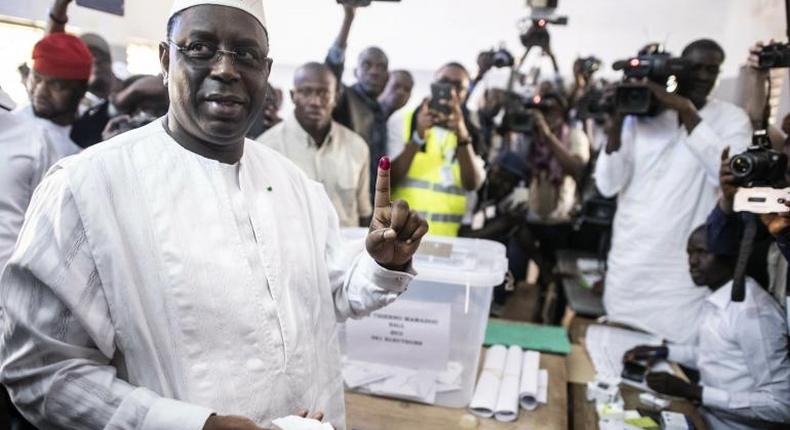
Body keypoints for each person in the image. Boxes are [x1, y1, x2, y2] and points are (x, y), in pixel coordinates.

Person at [0, 3, 428, 430]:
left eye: (245, 54)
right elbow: (41, 371)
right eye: (201, 47)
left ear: (266, 70)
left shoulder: (297, 187)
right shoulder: (87, 188)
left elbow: (333, 294)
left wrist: (381, 266)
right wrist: (195, 425)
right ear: (166, 60)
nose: (226, 69)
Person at [594, 39, 752, 343]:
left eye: (712, 69)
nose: (704, 76)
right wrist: (617, 119)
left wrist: (686, 111)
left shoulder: (732, 119)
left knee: (671, 361)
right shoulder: (642, 112)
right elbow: (608, 183)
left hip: (679, 280)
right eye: (695, 68)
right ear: (677, 68)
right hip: (629, 268)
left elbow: (730, 178)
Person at [624, 226, 790, 430]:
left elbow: (782, 406)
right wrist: (664, 351)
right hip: (703, 418)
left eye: (702, 252)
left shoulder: (754, 314)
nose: (692, 261)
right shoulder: (718, 297)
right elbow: (718, 357)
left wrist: (693, 391)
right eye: (690, 253)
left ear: (731, 255)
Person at [258, 62, 372, 228]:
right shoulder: (266, 148)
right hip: (291, 251)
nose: (315, 102)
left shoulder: (357, 147)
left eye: (323, 93)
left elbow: (363, 213)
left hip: (346, 250)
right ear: (293, 96)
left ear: (336, 97)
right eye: (306, 92)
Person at [390, 62, 487, 237]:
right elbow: (389, 178)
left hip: (447, 239)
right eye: (444, 81)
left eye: (458, 86)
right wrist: (418, 136)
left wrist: (462, 135)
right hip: (402, 236)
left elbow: (472, 183)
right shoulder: (403, 121)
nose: (450, 90)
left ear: (466, 94)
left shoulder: (472, 131)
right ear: (433, 84)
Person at [326, 3, 390, 198]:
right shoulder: (344, 98)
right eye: (367, 65)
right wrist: (349, 19)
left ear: (387, 75)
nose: (374, 71)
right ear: (356, 72)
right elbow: (332, 70)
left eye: (381, 67)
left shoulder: (381, 109)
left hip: (369, 198)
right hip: (345, 197)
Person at [11, 32, 89, 160]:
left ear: (81, 90)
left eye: (56, 85)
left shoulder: (93, 123)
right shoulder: (15, 131)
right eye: (36, 78)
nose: (41, 91)